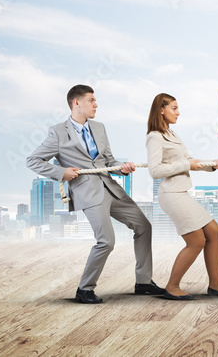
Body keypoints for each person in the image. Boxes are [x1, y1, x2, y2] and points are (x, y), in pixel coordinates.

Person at [27, 85, 163, 303]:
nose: (96, 104)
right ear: (76, 103)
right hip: (88, 192)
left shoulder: (99, 128)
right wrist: (61, 172)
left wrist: (121, 167)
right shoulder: (58, 132)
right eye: (91, 100)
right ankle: (85, 289)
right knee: (106, 241)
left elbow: (108, 161)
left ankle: (144, 282)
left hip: (110, 188)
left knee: (144, 226)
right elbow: (32, 160)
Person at [146, 93, 218, 300]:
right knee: (196, 241)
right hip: (171, 194)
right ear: (162, 110)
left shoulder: (172, 134)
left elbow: (188, 160)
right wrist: (187, 165)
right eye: (174, 108)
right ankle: (172, 286)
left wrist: (211, 165)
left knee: (214, 232)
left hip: (182, 192)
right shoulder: (155, 136)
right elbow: (154, 171)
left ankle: (215, 284)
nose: (179, 112)